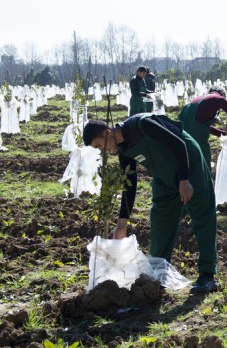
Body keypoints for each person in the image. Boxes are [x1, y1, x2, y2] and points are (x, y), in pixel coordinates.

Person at [83, 115, 219, 295]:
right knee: (160, 218)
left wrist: (184, 180)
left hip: (189, 163)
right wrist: (121, 223)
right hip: (164, 173)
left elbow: (178, 143)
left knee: (202, 214)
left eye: (100, 146)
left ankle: (207, 276)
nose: (103, 151)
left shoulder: (142, 125)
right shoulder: (123, 148)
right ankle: (158, 275)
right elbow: (129, 183)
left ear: (107, 133)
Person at [179, 87, 227, 169]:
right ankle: (205, 180)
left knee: (188, 158)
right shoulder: (218, 98)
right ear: (222, 94)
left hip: (182, 131)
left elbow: (202, 125)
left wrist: (223, 134)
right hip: (197, 134)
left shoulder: (199, 100)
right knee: (203, 158)